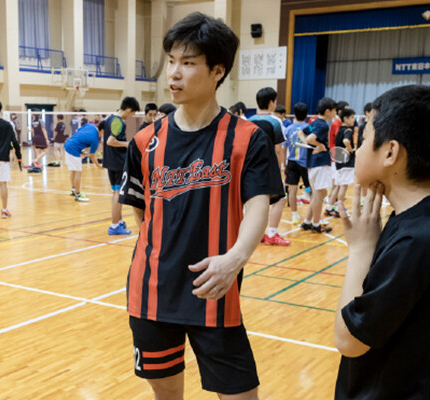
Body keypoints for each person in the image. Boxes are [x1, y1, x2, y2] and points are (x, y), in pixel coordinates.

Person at [118, 12, 282, 400]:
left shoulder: (247, 139)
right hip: (152, 293)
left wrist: (235, 258)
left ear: (217, 72)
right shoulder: (144, 141)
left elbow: (258, 207)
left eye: (188, 63)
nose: (174, 73)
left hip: (217, 291)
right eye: (171, 61)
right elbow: (142, 214)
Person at [334, 84, 430, 400]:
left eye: (365, 138)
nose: (358, 149)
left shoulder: (418, 240)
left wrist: (359, 248)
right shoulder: (428, 219)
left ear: (390, 152)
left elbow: (348, 341)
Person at [249, 87, 289, 246]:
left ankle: (257, 234)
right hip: (268, 166)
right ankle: (272, 233)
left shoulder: (247, 120)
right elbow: (278, 149)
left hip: (251, 166)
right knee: (280, 199)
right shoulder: (275, 121)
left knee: (256, 202)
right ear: (272, 102)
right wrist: (280, 170)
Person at [104, 96, 140, 235]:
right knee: (118, 194)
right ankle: (114, 226)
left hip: (110, 162)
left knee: (115, 192)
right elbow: (110, 141)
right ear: (128, 109)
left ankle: (118, 221)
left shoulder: (109, 118)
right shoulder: (119, 122)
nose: (131, 116)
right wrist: (127, 144)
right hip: (118, 162)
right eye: (132, 114)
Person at [302, 96, 336, 233]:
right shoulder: (322, 125)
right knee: (319, 193)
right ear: (327, 111)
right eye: (334, 110)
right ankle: (316, 225)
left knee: (318, 193)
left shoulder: (314, 122)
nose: (335, 113)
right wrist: (320, 145)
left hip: (312, 163)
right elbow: (310, 138)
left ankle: (307, 221)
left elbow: (302, 133)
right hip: (320, 163)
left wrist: (308, 144)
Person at [283, 102, 312, 225]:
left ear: (294, 114)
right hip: (305, 164)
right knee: (309, 188)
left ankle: (294, 215)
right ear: (306, 115)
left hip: (291, 162)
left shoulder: (288, 128)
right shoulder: (309, 128)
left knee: (292, 190)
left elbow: (284, 148)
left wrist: (283, 164)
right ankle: (310, 216)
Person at [64, 118, 103, 202]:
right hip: (73, 148)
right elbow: (92, 157)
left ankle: (74, 190)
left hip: (68, 143)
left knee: (74, 170)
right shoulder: (95, 140)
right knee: (78, 172)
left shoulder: (91, 125)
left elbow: (77, 130)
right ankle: (78, 194)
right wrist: (98, 166)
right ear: (102, 130)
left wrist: (81, 146)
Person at [333, 108, 356, 209]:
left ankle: (329, 206)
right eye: (351, 118)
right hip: (346, 162)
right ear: (345, 119)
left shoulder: (339, 130)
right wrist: (350, 149)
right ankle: (339, 208)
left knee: (338, 186)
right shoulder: (348, 130)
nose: (353, 120)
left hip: (338, 162)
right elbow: (346, 141)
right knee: (344, 186)